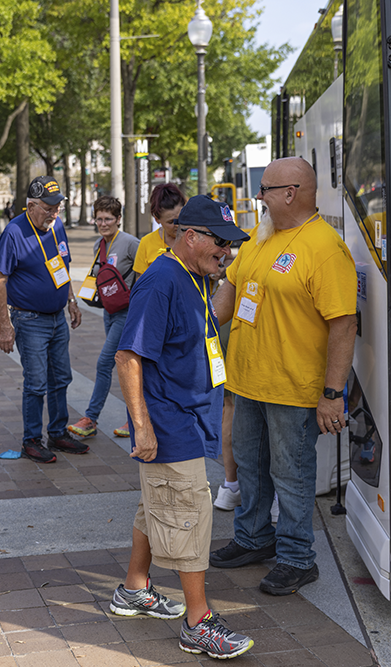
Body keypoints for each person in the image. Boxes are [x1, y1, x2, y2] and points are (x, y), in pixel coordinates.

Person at [110, 195, 253, 660]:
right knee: (189, 516)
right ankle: (198, 622)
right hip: (170, 422)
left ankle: (134, 588)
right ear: (190, 236)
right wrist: (143, 427)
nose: (226, 252)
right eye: (220, 242)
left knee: (156, 507)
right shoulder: (163, 280)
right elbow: (127, 357)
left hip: (187, 417)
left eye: (230, 245)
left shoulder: (194, 275)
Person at [210, 157, 357, 596]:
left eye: (265, 190)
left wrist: (332, 394)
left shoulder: (325, 248)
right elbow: (230, 290)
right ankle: (254, 538)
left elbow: (343, 325)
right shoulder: (261, 235)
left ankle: (296, 558)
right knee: (251, 466)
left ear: (290, 193)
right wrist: (193, 324)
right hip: (247, 380)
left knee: (291, 474)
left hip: (293, 389)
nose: (259, 197)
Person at [0, 176, 89, 463]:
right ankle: (31, 440)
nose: (54, 213)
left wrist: (71, 300)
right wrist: (5, 326)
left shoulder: (56, 226)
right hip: (29, 319)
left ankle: (57, 432)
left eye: (58, 207)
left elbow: (62, 265)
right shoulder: (14, 232)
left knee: (61, 378)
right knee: (36, 383)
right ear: (31, 205)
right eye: (48, 208)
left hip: (57, 317)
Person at [67, 196, 139, 440]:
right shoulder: (99, 244)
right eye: (99, 219)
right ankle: (135, 419)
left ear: (118, 219)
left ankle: (91, 418)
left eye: (108, 219)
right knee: (125, 365)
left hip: (126, 314)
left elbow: (146, 275)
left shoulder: (131, 243)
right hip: (109, 312)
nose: (103, 223)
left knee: (104, 363)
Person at [131, 183, 187, 277]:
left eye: (181, 218)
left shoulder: (195, 237)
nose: (177, 225)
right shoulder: (146, 243)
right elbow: (141, 281)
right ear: (157, 219)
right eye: (170, 222)